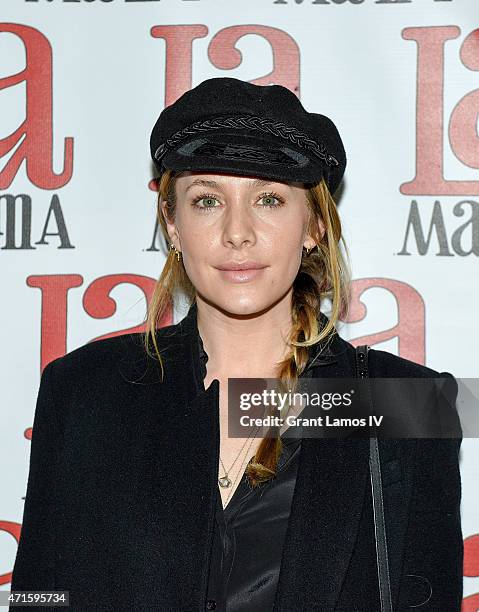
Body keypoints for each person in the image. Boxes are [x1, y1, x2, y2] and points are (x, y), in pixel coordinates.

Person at [10, 77, 463, 611]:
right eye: (206, 201)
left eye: (268, 198)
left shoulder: (408, 403)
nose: (237, 232)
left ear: (314, 224)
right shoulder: (86, 389)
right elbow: (41, 598)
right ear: (173, 225)